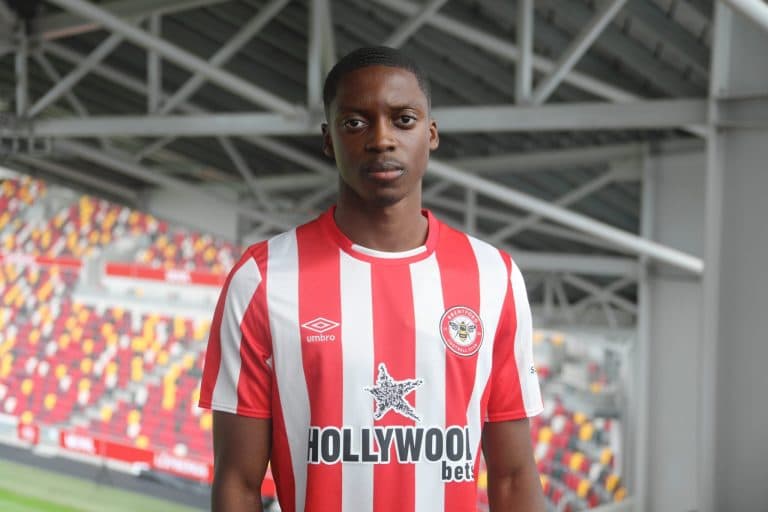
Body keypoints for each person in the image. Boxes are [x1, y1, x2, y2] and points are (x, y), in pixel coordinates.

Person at [199, 46, 546, 512]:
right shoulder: (262, 279)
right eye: (355, 122)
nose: (382, 139)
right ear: (328, 140)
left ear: (431, 133)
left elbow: (514, 477)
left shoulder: (494, 276)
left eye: (403, 120)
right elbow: (238, 483)